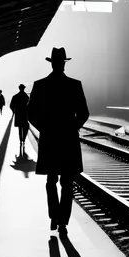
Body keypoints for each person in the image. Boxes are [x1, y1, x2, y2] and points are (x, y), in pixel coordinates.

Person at [28, 47, 89, 234]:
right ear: (63, 63)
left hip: (49, 139)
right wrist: (72, 127)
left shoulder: (40, 85)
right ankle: (63, 221)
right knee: (67, 182)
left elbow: (30, 113)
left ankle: (54, 216)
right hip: (69, 140)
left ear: (51, 63)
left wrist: (44, 128)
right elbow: (84, 113)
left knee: (51, 180)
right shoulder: (75, 85)